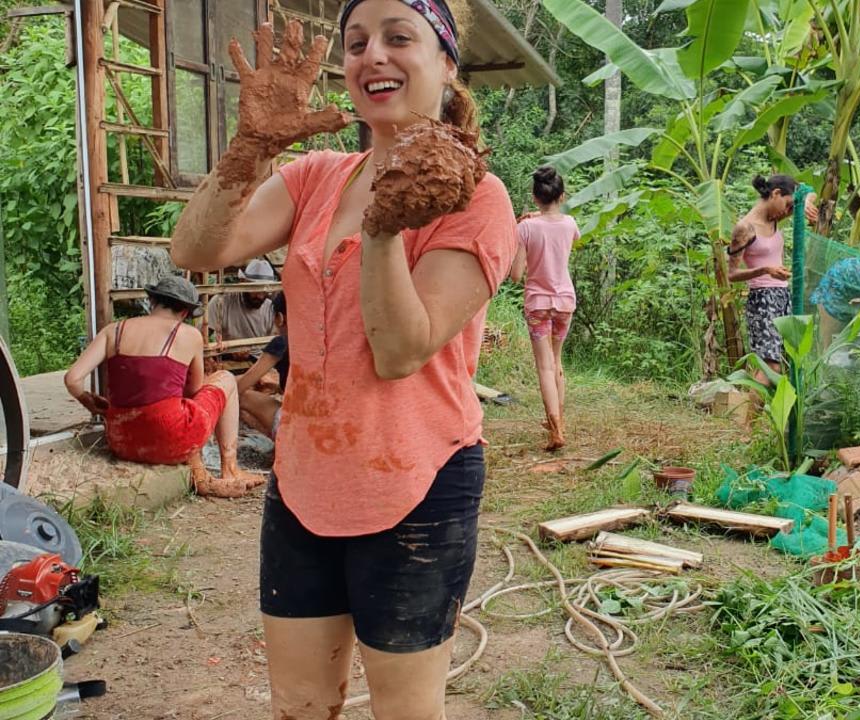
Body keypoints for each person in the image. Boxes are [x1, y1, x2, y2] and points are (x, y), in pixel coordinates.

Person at [169, 6, 517, 719]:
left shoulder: (476, 195)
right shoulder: (318, 177)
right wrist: (249, 147)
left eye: (398, 38)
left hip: (418, 485)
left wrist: (386, 225)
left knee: (404, 711)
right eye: (357, 44)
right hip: (303, 480)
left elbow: (399, 352)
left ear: (448, 63)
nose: (372, 57)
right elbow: (196, 251)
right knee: (298, 703)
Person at [63, 276, 264, 498]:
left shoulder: (113, 331)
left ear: (152, 302)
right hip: (171, 441)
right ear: (185, 313)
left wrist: (87, 400)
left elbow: (72, 379)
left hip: (121, 441)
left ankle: (204, 472)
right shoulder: (189, 335)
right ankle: (230, 469)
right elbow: (194, 390)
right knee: (225, 378)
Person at [510, 166, 578, 451]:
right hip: (565, 302)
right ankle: (558, 419)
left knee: (544, 367)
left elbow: (515, 274)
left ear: (535, 198)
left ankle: (555, 429)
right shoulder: (571, 223)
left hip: (538, 303)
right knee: (557, 363)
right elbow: (561, 231)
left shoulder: (525, 227)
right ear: (561, 196)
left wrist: (523, 224)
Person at [728, 174, 818, 376]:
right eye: (787, 205)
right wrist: (765, 270)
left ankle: (761, 407)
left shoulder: (775, 219)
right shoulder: (745, 228)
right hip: (762, 299)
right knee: (771, 366)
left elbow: (809, 189)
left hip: (784, 295)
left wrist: (805, 203)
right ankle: (749, 408)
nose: (788, 212)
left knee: (787, 361)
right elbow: (731, 274)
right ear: (776, 194)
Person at [237, 292, 289, 440]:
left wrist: (213, 382)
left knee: (241, 397)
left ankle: (281, 444)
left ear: (279, 318)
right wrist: (275, 387)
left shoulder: (282, 342)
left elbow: (240, 385)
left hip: (295, 424)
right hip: (328, 425)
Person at [207, 258, 276, 344]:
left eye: (264, 291)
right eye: (255, 289)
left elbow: (275, 342)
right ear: (243, 282)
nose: (259, 296)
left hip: (261, 356)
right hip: (226, 354)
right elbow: (204, 333)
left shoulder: (270, 309)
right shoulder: (221, 301)